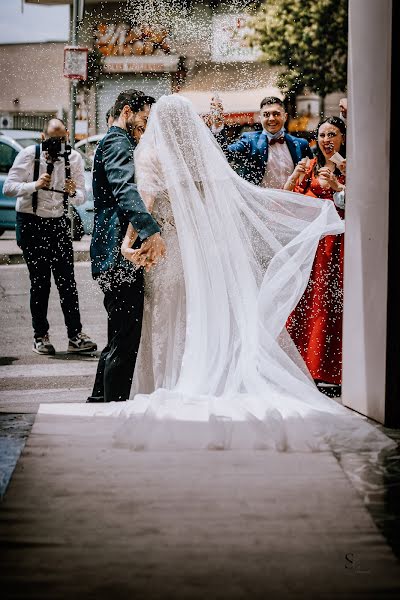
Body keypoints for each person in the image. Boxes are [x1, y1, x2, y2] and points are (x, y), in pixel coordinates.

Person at [109, 95, 393, 454]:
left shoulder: (152, 156)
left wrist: (128, 243)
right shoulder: (200, 155)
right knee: (201, 314)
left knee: (166, 318)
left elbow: (145, 205)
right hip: (202, 253)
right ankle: (210, 376)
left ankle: (171, 383)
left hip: (168, 253)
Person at [87, 89, 166, 404]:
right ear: (128, 111)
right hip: (117, 255)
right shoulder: (119, 143)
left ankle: (98, 399)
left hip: (108, 252)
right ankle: (114, 406)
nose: (144, 127)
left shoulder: (112, 142)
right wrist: (150, 231)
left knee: (117, 335)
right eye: (143, 118)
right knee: (126, 339)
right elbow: (125, 190)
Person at [3, 118, 97, 355]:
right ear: (43, 137)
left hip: (58, 224)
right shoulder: (29, 155)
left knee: (67, 283)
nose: (58, 144)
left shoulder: (73, 158)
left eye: (62, 139)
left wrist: (72, 191)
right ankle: (40, 336)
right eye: (53, 140)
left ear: (67, 135)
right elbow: (8, 188)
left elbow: (81, 197)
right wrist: (34, 185)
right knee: (40, 282)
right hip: (31, 224)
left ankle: (75, 336)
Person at [284, 117, 346, 391]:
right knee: (310, 302)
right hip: (313, 245)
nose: (326, 139)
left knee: (333, 303)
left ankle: (333, 370)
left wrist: (337, 187)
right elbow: (289, 200)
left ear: (343, 137)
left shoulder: (349, 166)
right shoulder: (309, 166)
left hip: (340, 246)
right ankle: (306, 367)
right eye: (322, 135)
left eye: (332, 134)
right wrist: (292, 178)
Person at [206, 96, 314, 188]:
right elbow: (225, 154)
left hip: (293, 206)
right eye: (266, 115)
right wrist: (218, 126)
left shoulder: (301, 144)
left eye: (276, 114)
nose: (271, 118)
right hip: (261, 208)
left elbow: (312, 175)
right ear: (260, 117)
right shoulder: (249, 141)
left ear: (285, 117)